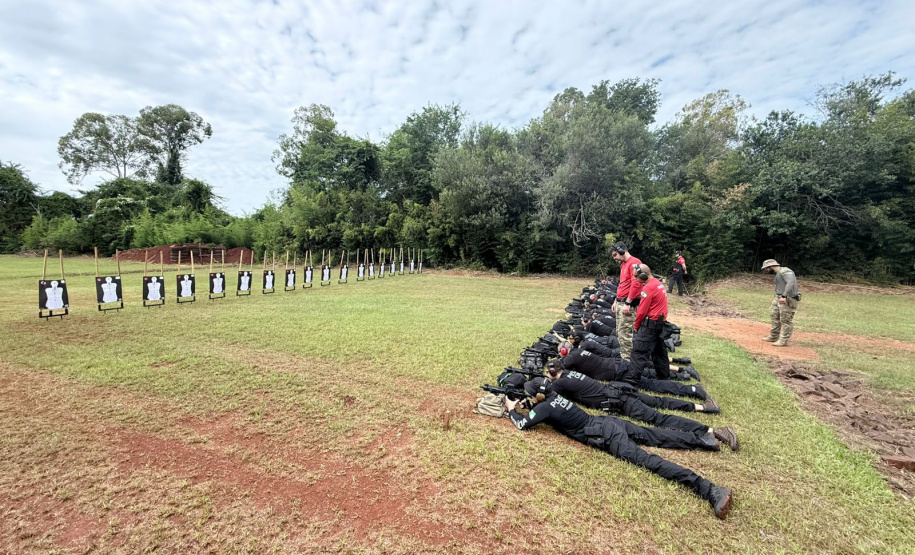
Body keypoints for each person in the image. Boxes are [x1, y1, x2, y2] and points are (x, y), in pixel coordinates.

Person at [504, 393, 733, 519]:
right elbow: (541, 406)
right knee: (655, 435)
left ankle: (709, 489)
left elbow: (523, 423)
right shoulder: (553, 397)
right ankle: (703, 440)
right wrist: (529, 402)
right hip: (608, 422)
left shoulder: (543, 408)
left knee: (648, 460)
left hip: (604, 434)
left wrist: (511, 409)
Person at [631, 264, 673, 380]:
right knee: (659, 352)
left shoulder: (648, 288)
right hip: (659, 324)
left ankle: (631, 381)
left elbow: (641, 311)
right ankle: (663, 377)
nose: (635, 279)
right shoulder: (658, 284)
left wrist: (636, 326)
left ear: (643, 275)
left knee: (638, 352)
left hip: (650, 325)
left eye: (636, 276)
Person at [610, 242, 642, 360]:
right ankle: (625, 358)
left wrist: (628, 303)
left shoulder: (634, 262)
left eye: (615, 255)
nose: (615, 258)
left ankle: (628, 362)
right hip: (621, 302)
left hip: (627, 304)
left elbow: (636, 284)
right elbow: (622, 285)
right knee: (620, 332)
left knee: (626, 335)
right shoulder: (624, 264)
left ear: (622, 251)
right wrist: (616, 300)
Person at [761, 259, 800, 346]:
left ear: (769, 266)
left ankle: (783, 340)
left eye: (766, 268)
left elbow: (790, 282)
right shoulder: (779, 273)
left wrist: (784, 296)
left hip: (788, 298)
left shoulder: (785, 271)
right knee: (774, 314)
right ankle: (774, 336)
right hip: (778, 297)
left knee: (785, 319)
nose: (766, 270)